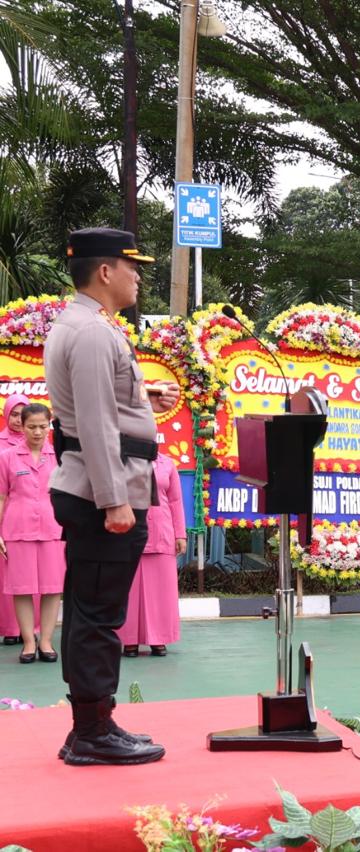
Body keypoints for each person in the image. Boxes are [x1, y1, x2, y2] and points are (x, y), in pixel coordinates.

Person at [46, 228, 178, 767]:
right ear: (106, 272)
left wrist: (141, 393)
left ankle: (91, 722)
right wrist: (114, 500)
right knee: (99, 614)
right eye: (132, 266)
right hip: (106, 489)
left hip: (89, 484)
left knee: (86, 609)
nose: (138, 275)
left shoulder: (78, 324)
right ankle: (92, 733)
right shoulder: (97, 333)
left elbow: (93, 402)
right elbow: (97, 423)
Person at [0, 403, 62, 663]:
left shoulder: (60, 456)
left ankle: (46, 641)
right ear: (21, 427)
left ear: (49, 426)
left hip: (54, 528)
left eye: (42, 426)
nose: (37, 432)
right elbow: (1, 497)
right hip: (17, 528)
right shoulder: (7, 457)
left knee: (52, 587)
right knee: (22, 588)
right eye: (31, 427)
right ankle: (28, 642)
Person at [118, 455, 185, 657]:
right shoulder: (121, 460)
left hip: (162, 532)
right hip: (128, 532)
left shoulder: (167, 464)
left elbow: (175, 501)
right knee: (128, 590)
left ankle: (159, 639)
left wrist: (180, 534)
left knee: (162, 590)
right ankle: (129, 640)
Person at [0, 393, 30, 645]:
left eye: (23, 414)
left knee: (31, 574)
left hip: (31, 519)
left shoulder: (39, 442)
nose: (18, 419)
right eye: (14, 413)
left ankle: (31, 630)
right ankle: (10, 629)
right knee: (7, 575)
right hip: (5, 515)